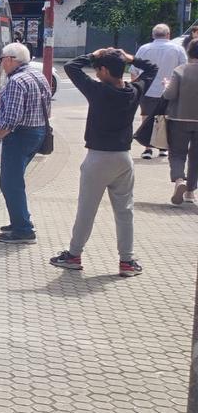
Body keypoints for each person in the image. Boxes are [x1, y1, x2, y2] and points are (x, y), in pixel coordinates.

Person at [50, 49, 156, 277]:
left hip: (97, 157)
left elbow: (71, 66)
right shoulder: (133, 90)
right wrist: (130, 58)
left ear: (104, 70)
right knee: (125, 212)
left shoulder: (97, 91)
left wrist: (93, 54)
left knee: (86, 210)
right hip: (123, 158)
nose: (96, 72)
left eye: (98, 68)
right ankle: (127, 262)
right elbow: (152, 69)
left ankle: (74, 255)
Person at [0, 42, 52, 244]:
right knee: (15, 180)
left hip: (20, 135)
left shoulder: (16, 81)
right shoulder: (37, 75)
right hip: (37, 131)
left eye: (3, 59)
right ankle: (19, 221)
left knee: (10, 183)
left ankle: (23, 229)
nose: (2, 63)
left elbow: (12, 118)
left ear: (11, 59)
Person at [132, 24, 187, 159]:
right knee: (167, 118)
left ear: (153, 35)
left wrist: (137, 87)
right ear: (168, 34)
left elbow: (133, 70)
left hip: (148, 89)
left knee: (146, 117)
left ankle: (148, 148)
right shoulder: (178, 49)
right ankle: (163, 147)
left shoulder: (144, 49)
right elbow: (184, 68)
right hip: (170, 89)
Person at [163, 40, 198, 204]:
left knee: (177, 153)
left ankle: (179, 181)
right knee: (196, 157)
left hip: (178, 118)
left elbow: (169, 95)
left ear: (188, 52)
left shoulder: (180, 70)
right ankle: (190, 192)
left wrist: (166, 85)